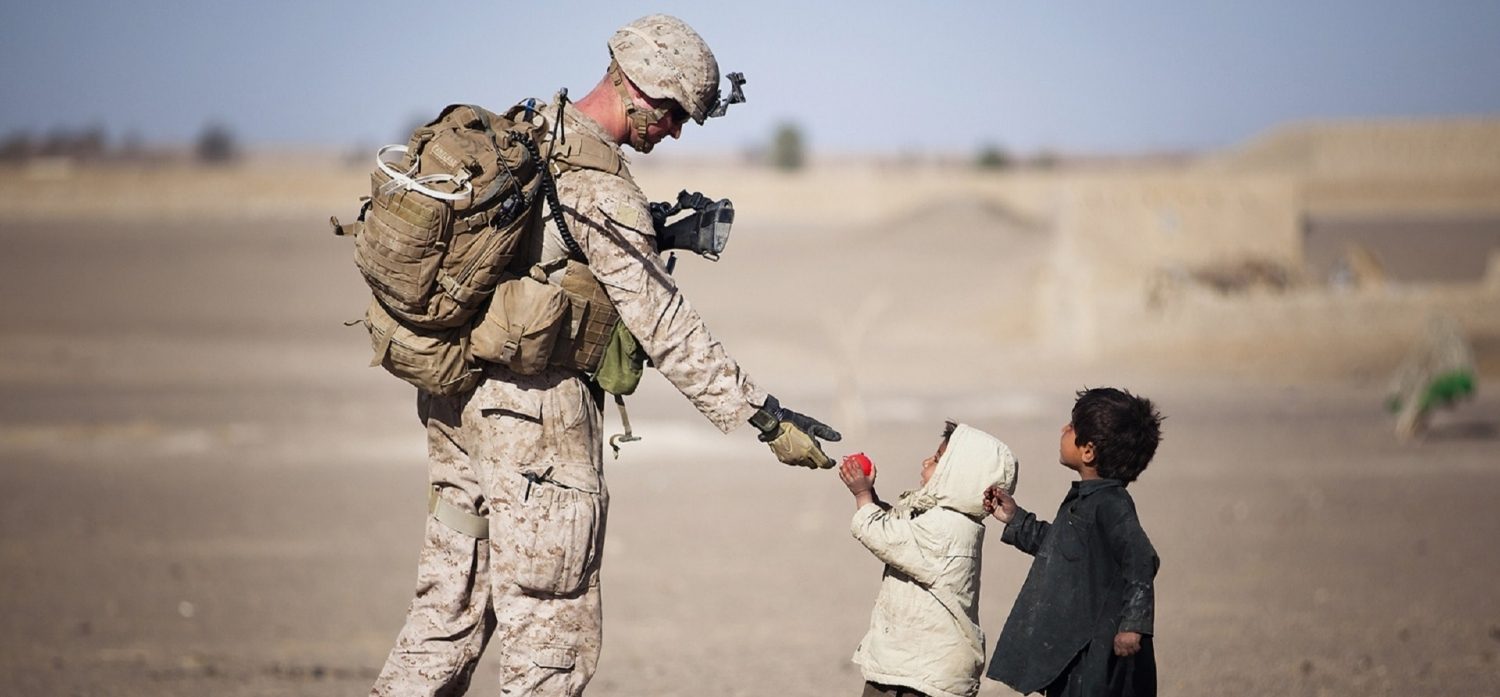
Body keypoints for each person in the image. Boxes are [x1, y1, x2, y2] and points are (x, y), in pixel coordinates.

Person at [369, 15, 840, 697]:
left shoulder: (530, 125)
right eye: (675, 114)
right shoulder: (599, 182)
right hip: (535, 423)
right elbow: (664, 322)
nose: (675, 132)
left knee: (446, 611)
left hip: (458, 400)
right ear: (642, 90)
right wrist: (763, 416)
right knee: (551, 635)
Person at [984, 388, 1163, 697]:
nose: (1063, 431)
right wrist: (1016, 519)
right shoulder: (1088, 500)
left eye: (1071, 427)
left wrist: (1133, 625)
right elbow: (1062, 549)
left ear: (1088, 451)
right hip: (1075, 648)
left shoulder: (1111, 505)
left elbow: (1141, 559)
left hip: (1099, 652)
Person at [836, 422, 1019, 697]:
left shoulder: (948, 529)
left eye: (936, 459)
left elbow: (887, 537)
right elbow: (901, 528)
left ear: (960, 476)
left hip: (926, 675)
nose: (925, 461)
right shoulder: (942, 517)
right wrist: (871, 495)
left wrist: (862, 496)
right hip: (910, 663)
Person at [1387, 314, 1477, 442]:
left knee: (1418, 403)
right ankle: (1409, 428)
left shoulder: (1447, 348)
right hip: (1425, 386)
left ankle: (1409, 429)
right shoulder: (1448, 347)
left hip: (1430, 384)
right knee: (1417, 403)